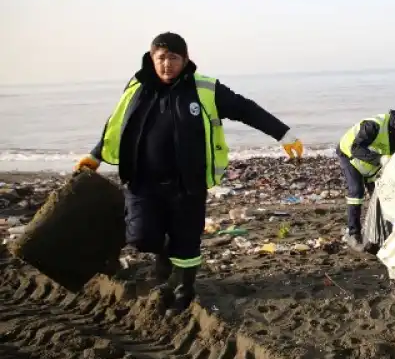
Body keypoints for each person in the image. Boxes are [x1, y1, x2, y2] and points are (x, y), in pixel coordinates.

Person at [75, 32, 304, 313]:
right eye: (161, 57)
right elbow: (116, 124)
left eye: (173, 58)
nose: (167, 64)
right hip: (142, 180)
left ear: (185, 59)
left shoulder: (205, 89)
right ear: (151, 58)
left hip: (188, 182)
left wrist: (284, 134)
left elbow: (246, 109)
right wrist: (96, 155)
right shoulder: (137, 86)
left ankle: (184, 287)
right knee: (142, 237)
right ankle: (163, 254)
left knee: (187, 239)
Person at [336, 109, 395, 252]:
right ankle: (353, 233)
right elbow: (355, 148)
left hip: (370, 163)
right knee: (356, 192)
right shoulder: (373, 126)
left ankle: (379, 235)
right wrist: (380, 159)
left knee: (381, 196)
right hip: (348, 154)